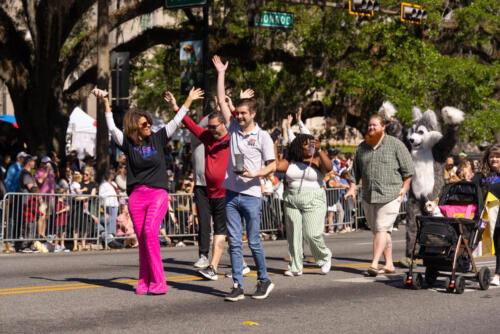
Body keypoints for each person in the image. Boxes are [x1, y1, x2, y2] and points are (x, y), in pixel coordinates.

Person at [95, 86, 203, 295]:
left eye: (149, 123)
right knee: (143, 239)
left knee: (150, 232)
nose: (149, 126)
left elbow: (176, 119)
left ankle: (159, 282)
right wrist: (106, 103)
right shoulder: (127, 143)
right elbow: (111, 128)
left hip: (157, 194)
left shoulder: (158, 138)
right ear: (135, 126)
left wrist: (188, 100)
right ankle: (144, 280)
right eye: (144, 123)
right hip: (136, 196)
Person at [213, 55, 276, 301]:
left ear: (253, 113)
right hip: (231, 193)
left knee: (254, 243)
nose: (238, 117)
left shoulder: (263, 136)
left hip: (251, 194)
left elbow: (271, 166)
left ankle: (264, 280)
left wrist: (255, 174)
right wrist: (221, 73)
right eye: (236, 113)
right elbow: (221, 100)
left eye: (242, 114)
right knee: (234, 244)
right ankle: (237, 285)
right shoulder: (233, 130)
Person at [345, 114, 414, 276]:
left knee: (382, 228)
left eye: (374, 125)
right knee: (380, 231)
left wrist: (405, 188)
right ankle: (389, 264)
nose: (371, 128)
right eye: (369, 125)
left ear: (383, 127)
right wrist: (352, 187)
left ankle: (374, 263)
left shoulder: (396, 145)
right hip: (369, 195)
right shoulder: (362, 147)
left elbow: (408, 170)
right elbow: (355, 171)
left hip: (391, 194)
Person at [275, 134, 333, 276]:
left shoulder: (317, 159)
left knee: (311, 234)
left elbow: (329, 168)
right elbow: (277, 166)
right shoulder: (291, 160)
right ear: (298, 146)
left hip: (314, 199)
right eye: (306, 144)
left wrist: (319, 151)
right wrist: (273, 146)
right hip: (292, 199)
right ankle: (295, 266)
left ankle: (324, 257)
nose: (310, 146)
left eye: (312, 144)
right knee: (294, 234)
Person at [472, 144, 500, 286]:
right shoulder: (482, 175)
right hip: (484, 215)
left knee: (499, 244)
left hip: (498, 214)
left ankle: (498, 274)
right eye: (491, 156)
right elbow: (471, 187)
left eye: (497, 156)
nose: (494, 159)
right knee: (472, 240)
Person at [99, 169, 120, 248]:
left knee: (113, 220)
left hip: (115, 204)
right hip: (108, 204)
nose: (112, 175)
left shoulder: (114, 183)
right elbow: (101, 194)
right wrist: (110, 194)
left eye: (113, 173)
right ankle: (109, 239)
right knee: (109, 221)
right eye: (111, 173)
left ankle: (111, 237)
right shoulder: (103, 184)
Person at [53, 187, 70, 252]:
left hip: (64, 220)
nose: (65, 195)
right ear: (61, 194)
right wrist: (65, 209)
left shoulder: (63, 202)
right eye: (64, 194)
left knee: (63, 233)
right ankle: (55, 246)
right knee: (57, 234)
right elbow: (57, 212)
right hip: (58, 221)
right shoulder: (58, 202)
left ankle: (62, 246)